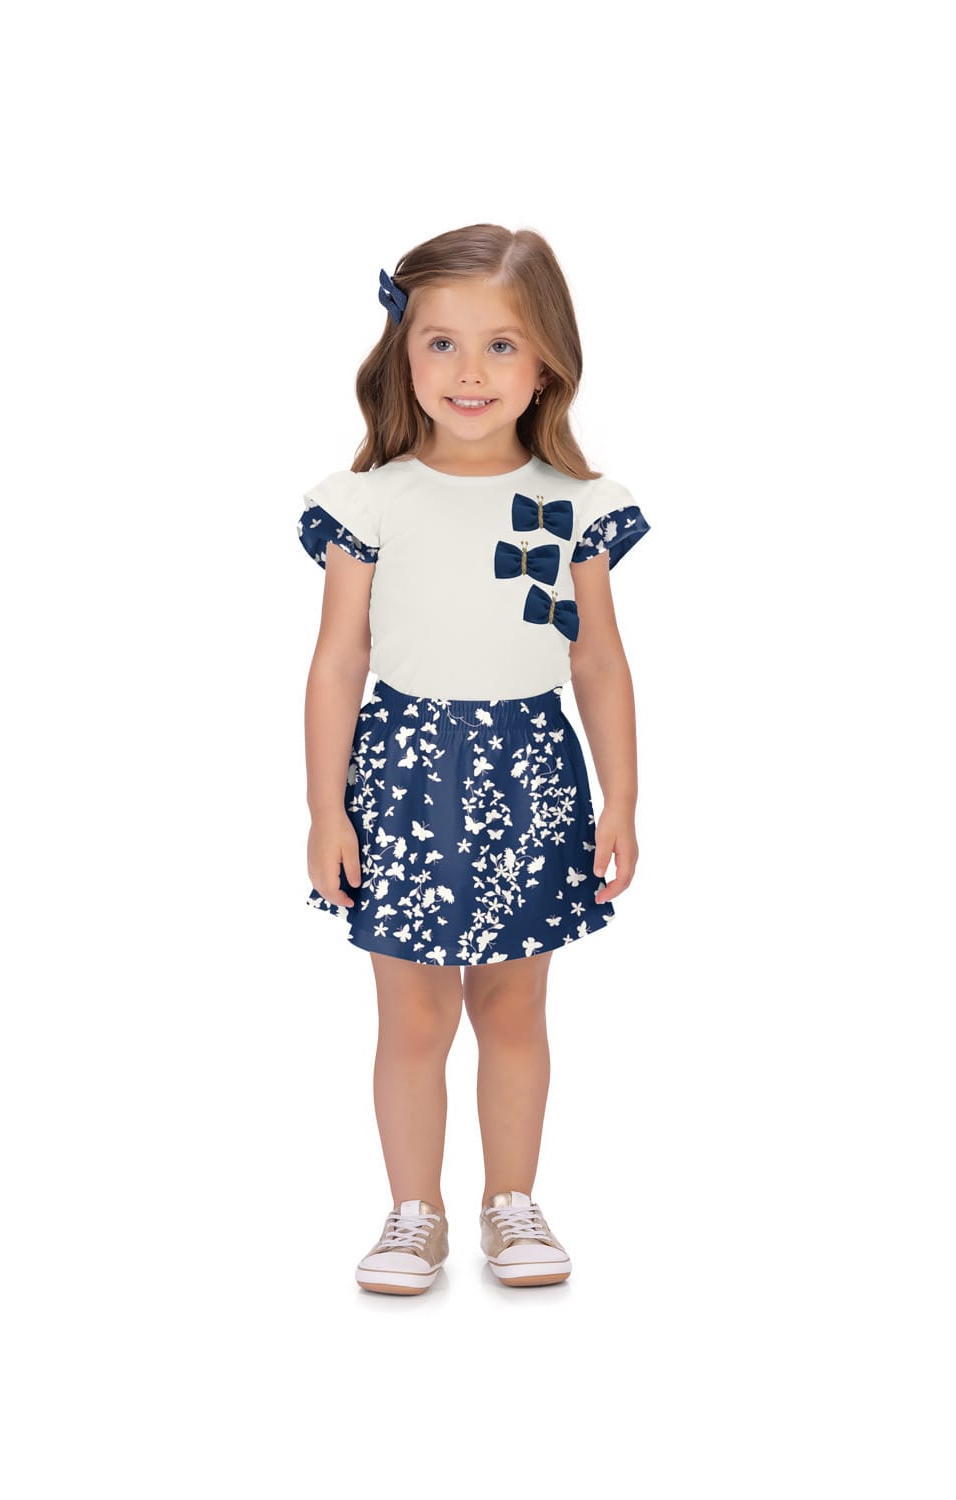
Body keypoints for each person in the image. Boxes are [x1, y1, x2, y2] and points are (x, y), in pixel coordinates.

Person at [296, 224, 652, 1295]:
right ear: (402, 353)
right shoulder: (371, 502)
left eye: (502, 345)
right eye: (442, 342)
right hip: (404, 772)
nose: (470, 371)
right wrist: (326, 812)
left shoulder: (572, 507)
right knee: (413, 1014)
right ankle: (415, 1213)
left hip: (532, 769)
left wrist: (621, 799)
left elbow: (597, 659)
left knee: (512, 1006)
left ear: (547, 362)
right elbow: (338, 662)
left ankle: (512, 1202)